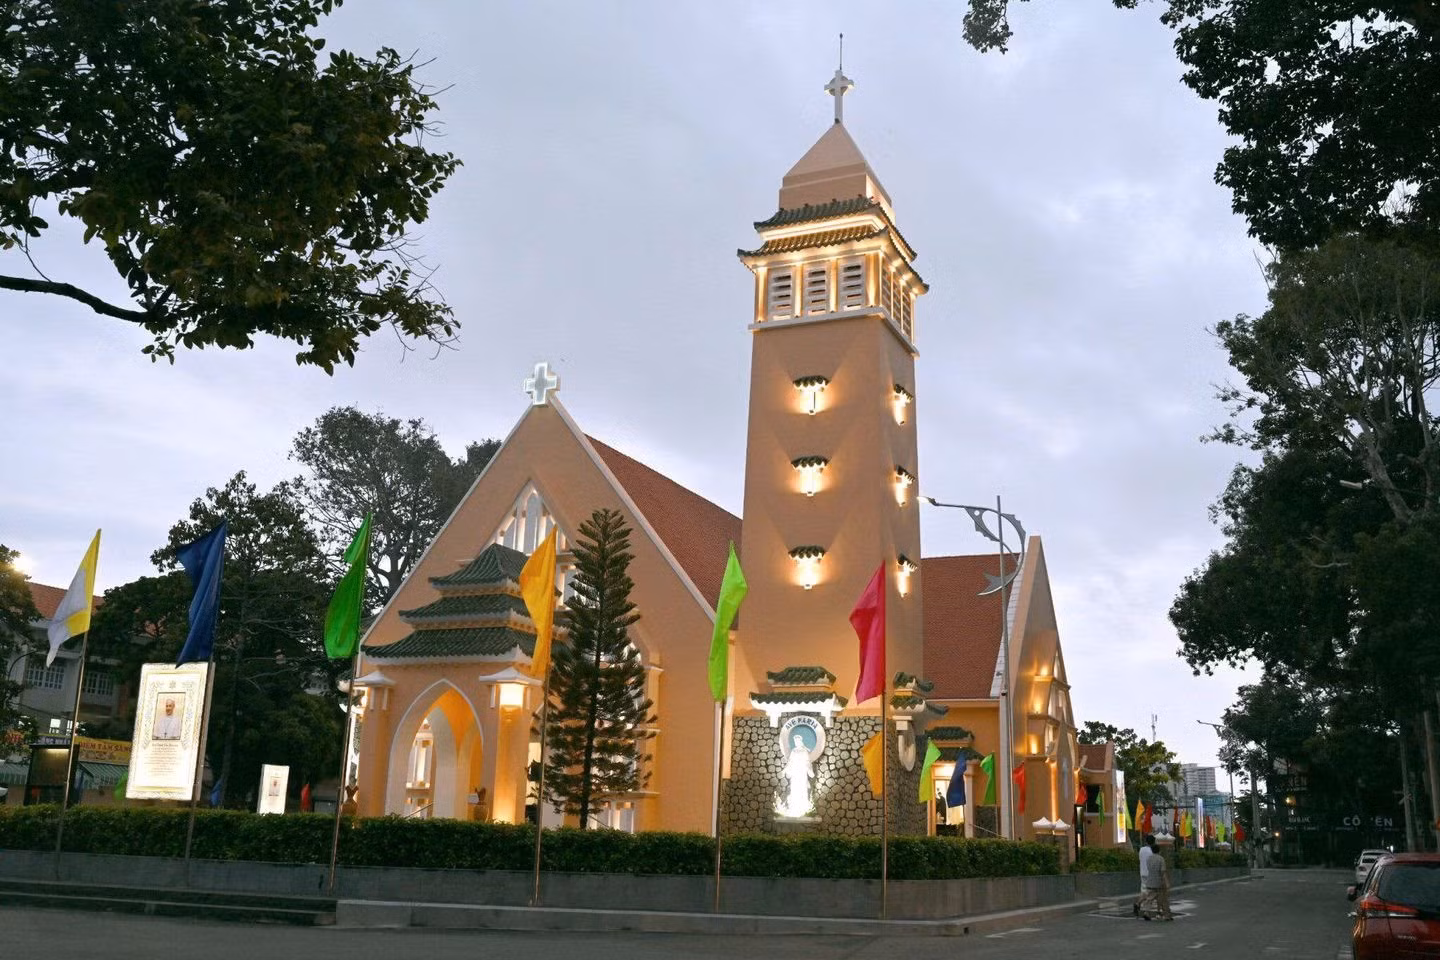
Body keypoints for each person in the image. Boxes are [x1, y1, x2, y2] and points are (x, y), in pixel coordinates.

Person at [1137, 836, 1173, 921]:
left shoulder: (1149, 858)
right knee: (1162, 899)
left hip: (1149, 880)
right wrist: (1167, 882)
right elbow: (1163, 872)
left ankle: (1146, 911)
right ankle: (1164, 914)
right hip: (1159, 881)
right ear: (1159, 851)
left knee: (1150, 897)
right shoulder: (1161, 859)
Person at [782, 733, 813, 815]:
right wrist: (785, 770)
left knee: (802, 788)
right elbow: (790, 762)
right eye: (795, 741)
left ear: (800, 741)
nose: (796, 742)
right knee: (794, 788)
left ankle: (803, 807)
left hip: (802, 772)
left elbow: (807, 762)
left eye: (797, 741)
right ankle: (794, 807)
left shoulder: (804, 751)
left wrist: (809, 769)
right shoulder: (794, 751)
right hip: (795, 772)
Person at [1133, 833, 1155, 917]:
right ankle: (1143, 907)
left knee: (1144, 890)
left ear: (1146, 841)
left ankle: (1138, 904)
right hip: (1150, 874)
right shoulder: (1152, 852)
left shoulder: (1141, 850)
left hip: (1142, 872)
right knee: (1150, 892)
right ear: (1153, 842)